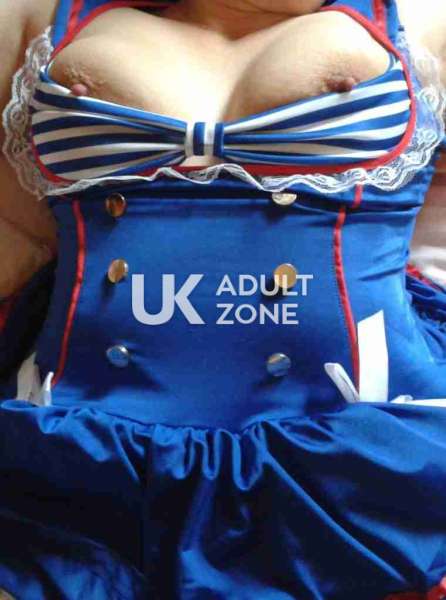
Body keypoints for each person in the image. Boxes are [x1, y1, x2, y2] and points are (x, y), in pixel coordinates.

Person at [0, 0, 446, 598]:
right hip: (85, 449)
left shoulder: (424, 20)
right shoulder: (32, 18)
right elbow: (18, 235)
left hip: (355, 451)